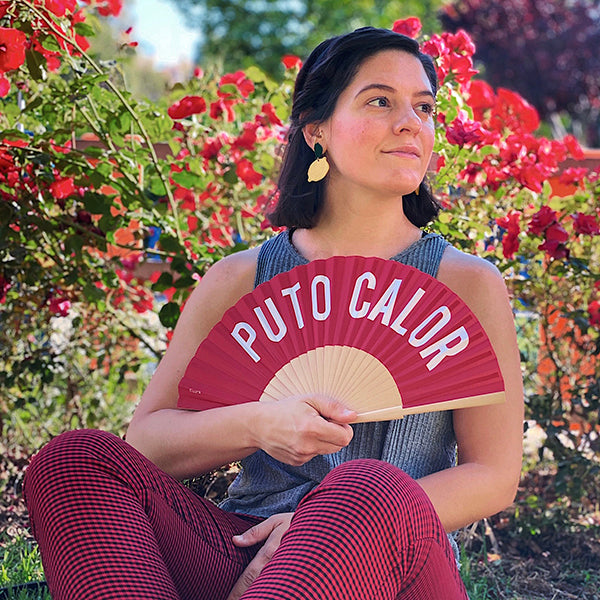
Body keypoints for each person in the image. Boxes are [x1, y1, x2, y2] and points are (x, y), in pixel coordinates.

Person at [23, 26, 524, 600]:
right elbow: (150, 442)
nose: (411, 121)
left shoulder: (467, 283)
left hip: (396, 561)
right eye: (379, 100)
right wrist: (259, 423)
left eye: (424, 106)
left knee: (366, 486)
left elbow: (493, 476)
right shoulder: (241, 277)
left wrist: (321, 528)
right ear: (316, 131)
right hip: (241, 548)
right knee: (74, 459)